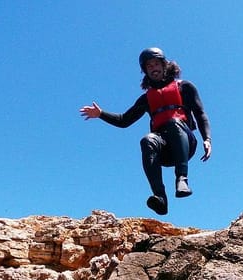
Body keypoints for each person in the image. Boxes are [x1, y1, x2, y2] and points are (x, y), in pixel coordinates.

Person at [80, 47, 211, 216]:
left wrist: (207, 139)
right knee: (147, 140)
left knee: (173, 123)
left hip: (185, 142)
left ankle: (182, 179)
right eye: (149, 66)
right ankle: (160, 198)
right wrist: (100, 114)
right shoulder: (146, 99)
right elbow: (123, 120)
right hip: (164, 149)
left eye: (156, 64)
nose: (153, 68)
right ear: (145, 71)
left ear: (165, 65)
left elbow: (200, 113)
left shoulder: (184, 87)